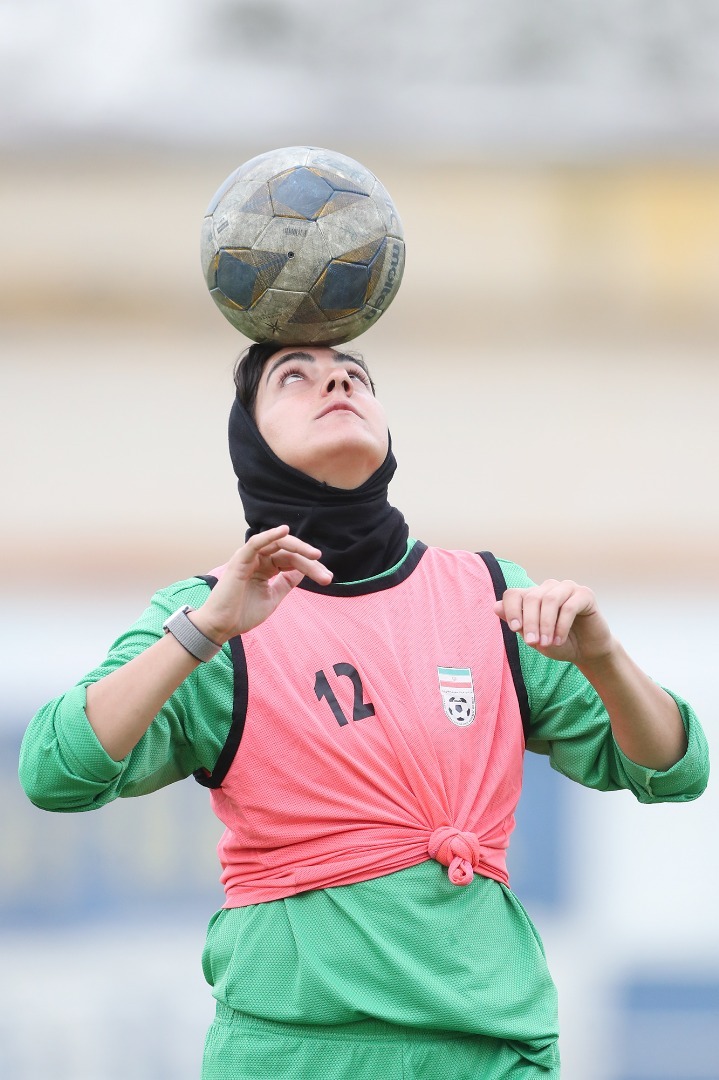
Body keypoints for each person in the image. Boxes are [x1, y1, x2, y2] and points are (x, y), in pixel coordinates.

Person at [19, 343, 709, 1079]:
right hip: (295, 1053)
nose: (338, 382)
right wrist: (204, 632)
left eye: (356, 376)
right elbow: (53, 773)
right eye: (294, 377)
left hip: (493, 1045)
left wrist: (602, 656)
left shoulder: (487, 591)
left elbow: (675, 770)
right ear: (250, 442)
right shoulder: (208, 613)